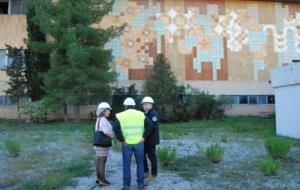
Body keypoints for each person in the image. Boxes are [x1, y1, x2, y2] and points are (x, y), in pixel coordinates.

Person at [113, 97, 152, 190]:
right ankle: (140, 184)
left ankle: (126, 186)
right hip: (139, 143)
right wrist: (144, 137)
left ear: (125, 106)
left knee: (126, 164)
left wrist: (121, 139)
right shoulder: (141, 114)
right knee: (140, 164)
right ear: (134, 106)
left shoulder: (120, 115)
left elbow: (115, 128)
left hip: (126, 144)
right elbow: (150, 125)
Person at [94, 102, 114, 186]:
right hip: (102, 144)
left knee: (99, 161)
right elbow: (107, 131)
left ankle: (99, 179)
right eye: (108, 110)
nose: (109, 112)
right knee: (102, 161)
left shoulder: (99, 119)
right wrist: (113, 135)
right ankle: (102, 180)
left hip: (99, 143)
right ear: (103, 111)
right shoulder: (103, 119)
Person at [141, 96, 160, 180]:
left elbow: (153, 127)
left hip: (151, 140)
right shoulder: (146, 113)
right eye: (143, 104)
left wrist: (144, 136)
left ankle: (154, 174)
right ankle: (145, 171)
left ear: (150, 104)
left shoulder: (153, 114)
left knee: (152, 157)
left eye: (145, 104)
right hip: (145, 139)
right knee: (142, 155)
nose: (143, 106)